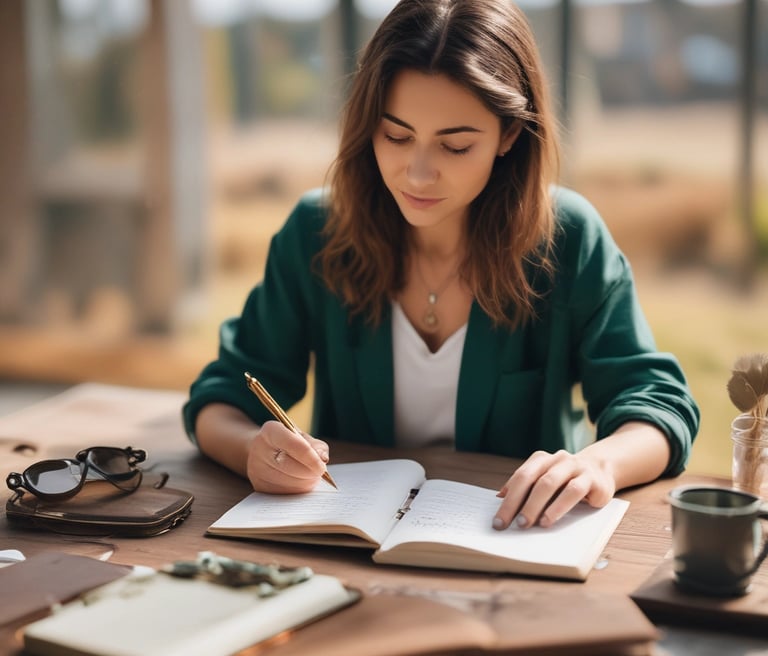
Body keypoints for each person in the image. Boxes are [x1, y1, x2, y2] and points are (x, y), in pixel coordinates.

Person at [183, 0, 699, 530]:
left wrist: (598, 463)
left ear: (510, 135)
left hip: (512, 551)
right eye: (397, 136)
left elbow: (657, 405)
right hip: (348, 551)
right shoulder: (316, 233)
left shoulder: (566, 238)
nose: (419, 174)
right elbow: (220, 397)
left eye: (455, 146)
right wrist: (251, 449)